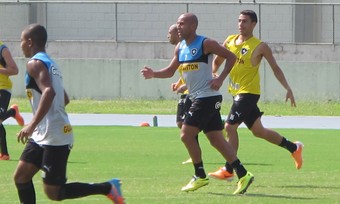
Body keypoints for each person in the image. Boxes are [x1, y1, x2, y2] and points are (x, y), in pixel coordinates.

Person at [141, 13, 254, 194]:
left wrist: (221, 79)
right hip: (199, 98)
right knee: (216, 139)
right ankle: (243, 174)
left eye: (182, 23)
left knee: (186, 134)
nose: (178, 26)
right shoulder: (180, 47)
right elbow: (170, 71)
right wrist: (154, 73)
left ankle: (200, 175)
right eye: (177, 23)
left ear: (193, 26)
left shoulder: (205, 43)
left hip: (207, 98)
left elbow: (231, 57)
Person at [14, 24, 124, 204]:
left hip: (55, 136)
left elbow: (49, 92)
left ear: (30, 42)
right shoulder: (50, 63)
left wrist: (32, 124)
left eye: (21, 41)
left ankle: (107, 188)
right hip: (43, 133)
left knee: (54, 192)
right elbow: (64, 98)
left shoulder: (34, 63)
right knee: (21, 176)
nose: (20, 45)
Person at [209, 10, 303, 181]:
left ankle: (229, 169)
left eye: (245, 21)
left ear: (253, 24)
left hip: (249, 93)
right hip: (236, 93)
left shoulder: (260, 46)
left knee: (229, 127)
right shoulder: (229, 41)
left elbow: (275, 68)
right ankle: (294, 148)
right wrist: (213, 73)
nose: (240, 24)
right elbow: (216, 61)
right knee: (259, 131)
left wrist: (287, 88)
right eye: (239, 20)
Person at [168, 24, 196, 165]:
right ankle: (214, 123)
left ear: (177, 34)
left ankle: (194, 156)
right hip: (186, 91)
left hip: (193, 92)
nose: (168, 36)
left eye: (170, 33)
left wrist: (186, 85)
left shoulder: (190, 47)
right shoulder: (180, 48)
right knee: (182, 123)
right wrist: (179, 83)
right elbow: (185, 71)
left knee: (186, 124)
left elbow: (197, 71)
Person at [0, 41, 25, 160]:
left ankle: (5, 154)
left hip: (3, 88)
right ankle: (4, 154)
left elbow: (14, 70)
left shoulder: (2, 49)